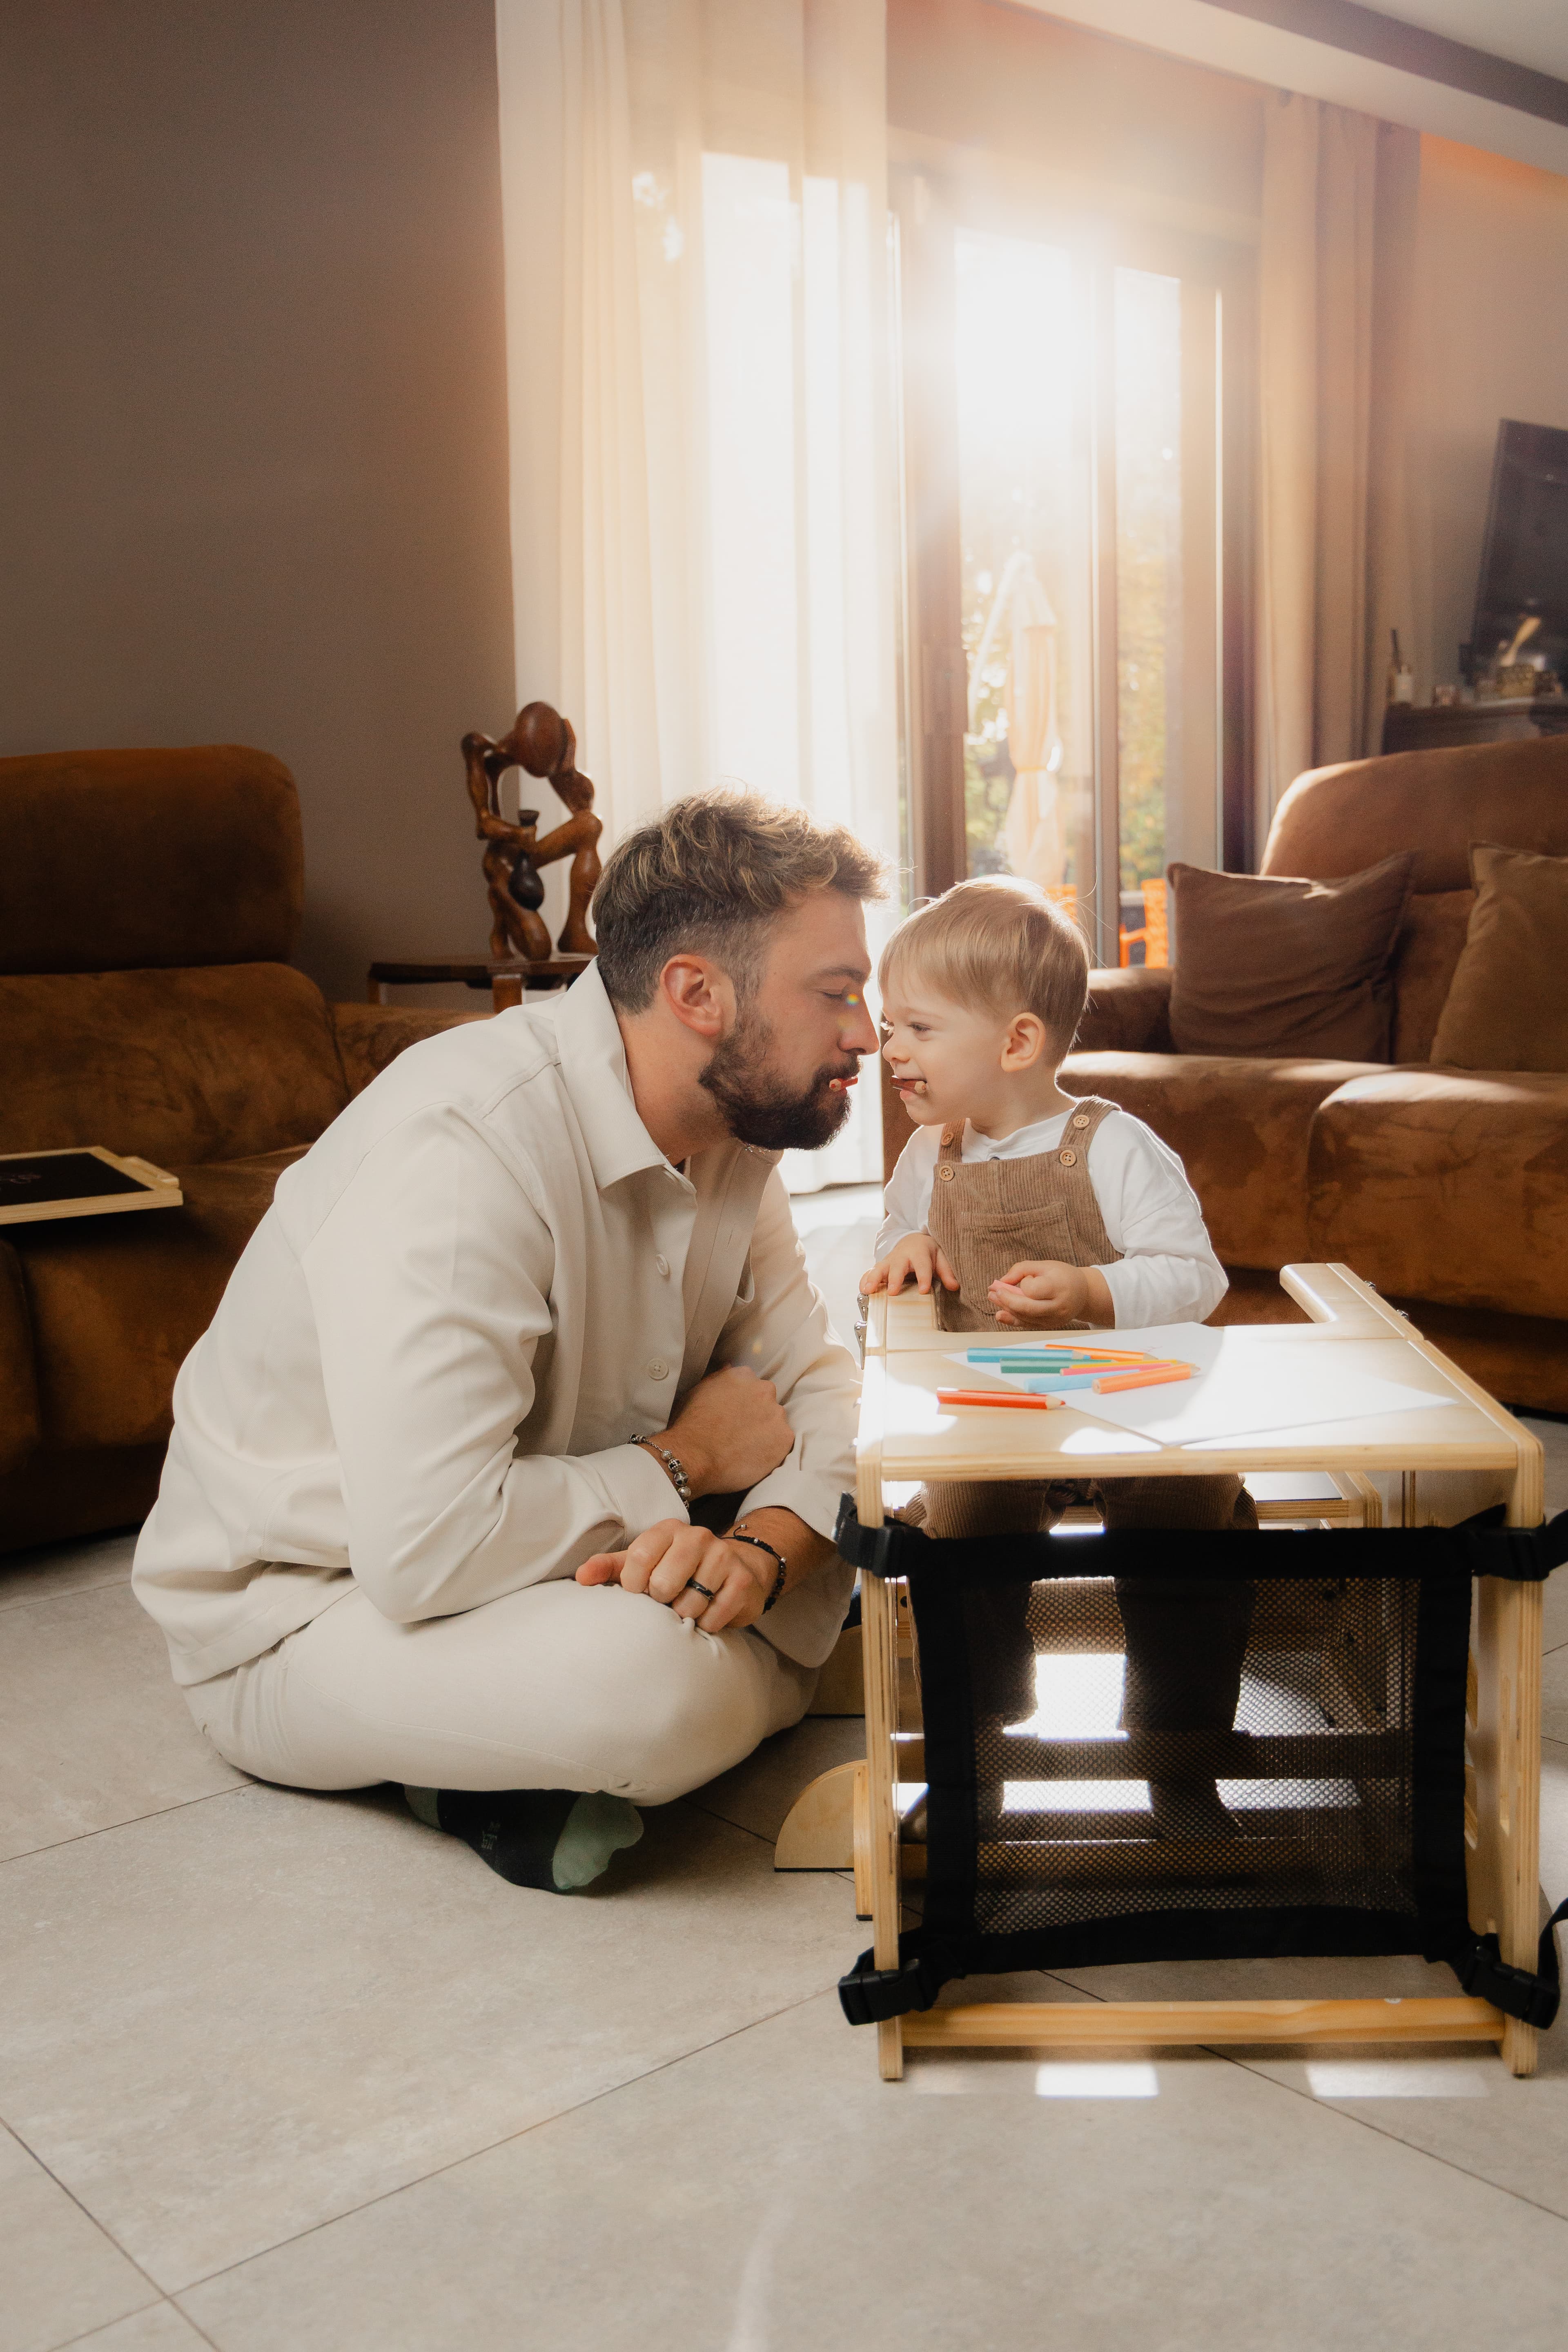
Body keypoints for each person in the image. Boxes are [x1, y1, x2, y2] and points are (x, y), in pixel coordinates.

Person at [134, 793, 883, 1893]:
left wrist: (762, 1551)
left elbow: (822, 1398)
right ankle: (572, 1737)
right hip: (303, 1606)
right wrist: (687, 1468)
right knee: (648, 1689)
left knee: (824, 1560)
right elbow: (430, 1544)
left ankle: (526, 1747)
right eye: (838, 994)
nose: (866, 1032)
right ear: (697, 994)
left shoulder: (729, 1137)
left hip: (529, 1563)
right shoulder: (463, 1149)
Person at [860, 876, 1256, 1841]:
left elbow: (1195, 1277)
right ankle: (978, 1747)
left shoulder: (1113, 1145)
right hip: (994, 1414)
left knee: (1192, 1523)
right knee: (956, 1535)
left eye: (915, 1028)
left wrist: (1093, 1292)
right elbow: (889, 1244)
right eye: (886, 1026)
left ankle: (1181, 1755)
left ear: (1017, 1044)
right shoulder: (930, 1156)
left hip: (1131, 1406)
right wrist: (897, 1253)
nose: (890, 1049)